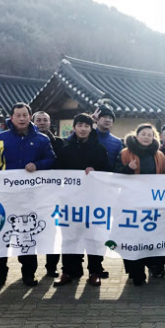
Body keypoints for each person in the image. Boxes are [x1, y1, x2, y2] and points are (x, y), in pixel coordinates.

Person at [0, 102, 56, 288]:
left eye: (25, 114)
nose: (22, 118)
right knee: (0, 236)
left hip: (30, 196)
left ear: (30, 116)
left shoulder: (42, 140)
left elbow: (51, 159)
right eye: (18, 115)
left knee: (27, 235)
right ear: (12, 117)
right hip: (4, 196)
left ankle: (28, 274)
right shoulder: (1, 138)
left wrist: (37, 165)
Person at [53, 113, 109, 288]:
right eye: (80, 125)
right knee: (70, 237)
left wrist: (96, 171)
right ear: (74, 127)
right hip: (70, 202)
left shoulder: (99, 149)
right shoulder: (65, 149)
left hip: (94, 200)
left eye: (86, 126)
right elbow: (56, 173)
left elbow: (108, 171)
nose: (83, 129)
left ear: (91, 127)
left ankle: (95, 271)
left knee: (94, 237)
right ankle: (69, 271)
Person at [116, 123, 165, 285]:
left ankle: (154, 266)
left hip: (152, 205)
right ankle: (136, 271)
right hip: (130, 204)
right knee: (132, 238)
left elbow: (163, 176)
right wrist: (127, 168)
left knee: (152, 236)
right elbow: (114, 175)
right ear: (136, 135)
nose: (146, 137)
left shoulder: (160, 156)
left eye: (149, 134)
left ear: (154, 137)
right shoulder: (125, 153)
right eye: (143, 133)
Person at [32, 110, 63, 277]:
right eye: (39, 120)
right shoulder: (27, 141)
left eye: (45, 120)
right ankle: (30, 269)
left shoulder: (59, 143)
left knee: (52, 231)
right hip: (31, 194)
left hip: (54, 194)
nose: (42, 122)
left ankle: (52, 266)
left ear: (50, 123)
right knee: (31, 230)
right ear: (33, 121)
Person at [92, 105, 123, 171]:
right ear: (97, 119)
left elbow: (119, 165)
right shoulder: (88, 137)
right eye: (104, 117)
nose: (108, 120)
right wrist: (91, 121)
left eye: (110, 118)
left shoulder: (117, 142)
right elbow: (71, 140)